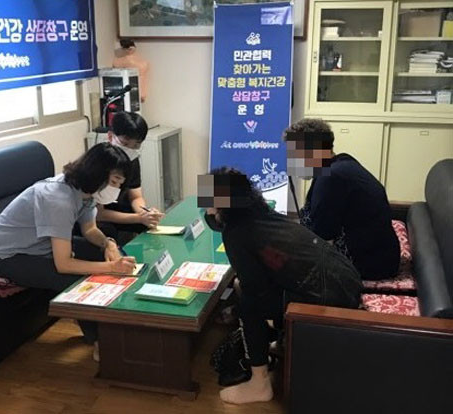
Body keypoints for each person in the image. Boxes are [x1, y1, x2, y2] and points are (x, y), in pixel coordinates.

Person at [200, 168, 362, 404]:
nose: (206, 210)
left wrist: (241, 306)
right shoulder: (262, 213)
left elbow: (254, 289)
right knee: (248, 290)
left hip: (331, 295)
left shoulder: (236, 232)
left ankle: (259, 384)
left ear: (222, 207)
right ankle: (280, 340)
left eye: (209, 204)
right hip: (345, 277)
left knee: (248, 304)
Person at [0, 142, 137, 355]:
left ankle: (120, 323)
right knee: (79, 281)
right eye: (114, 181)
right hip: (6, 256)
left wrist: (108, 244)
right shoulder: (58, 198)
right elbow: (64, 264)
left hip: (39, 246)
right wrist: (111, 267)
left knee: (104, 253)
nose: (116, 190)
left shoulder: (85, 192)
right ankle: (100, 342)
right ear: (97, 173)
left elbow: (90, 230)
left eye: (119, 184)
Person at [284, 118, 400, 281]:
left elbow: (320, 234)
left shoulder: (331, 177)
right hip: (383, 256)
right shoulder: (342, 163)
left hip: (369, 264)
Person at [96, 111, 164, 241]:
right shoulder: (98, 162)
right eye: (125, 144)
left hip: (120, 209)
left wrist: (145, 212)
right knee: (108, 229)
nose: (130, 149)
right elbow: (99, 213)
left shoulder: (132, 160)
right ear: (110, 136)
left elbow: (136, 197)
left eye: (136, 145)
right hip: (97, 217)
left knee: (149, 225)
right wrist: (138, 218)